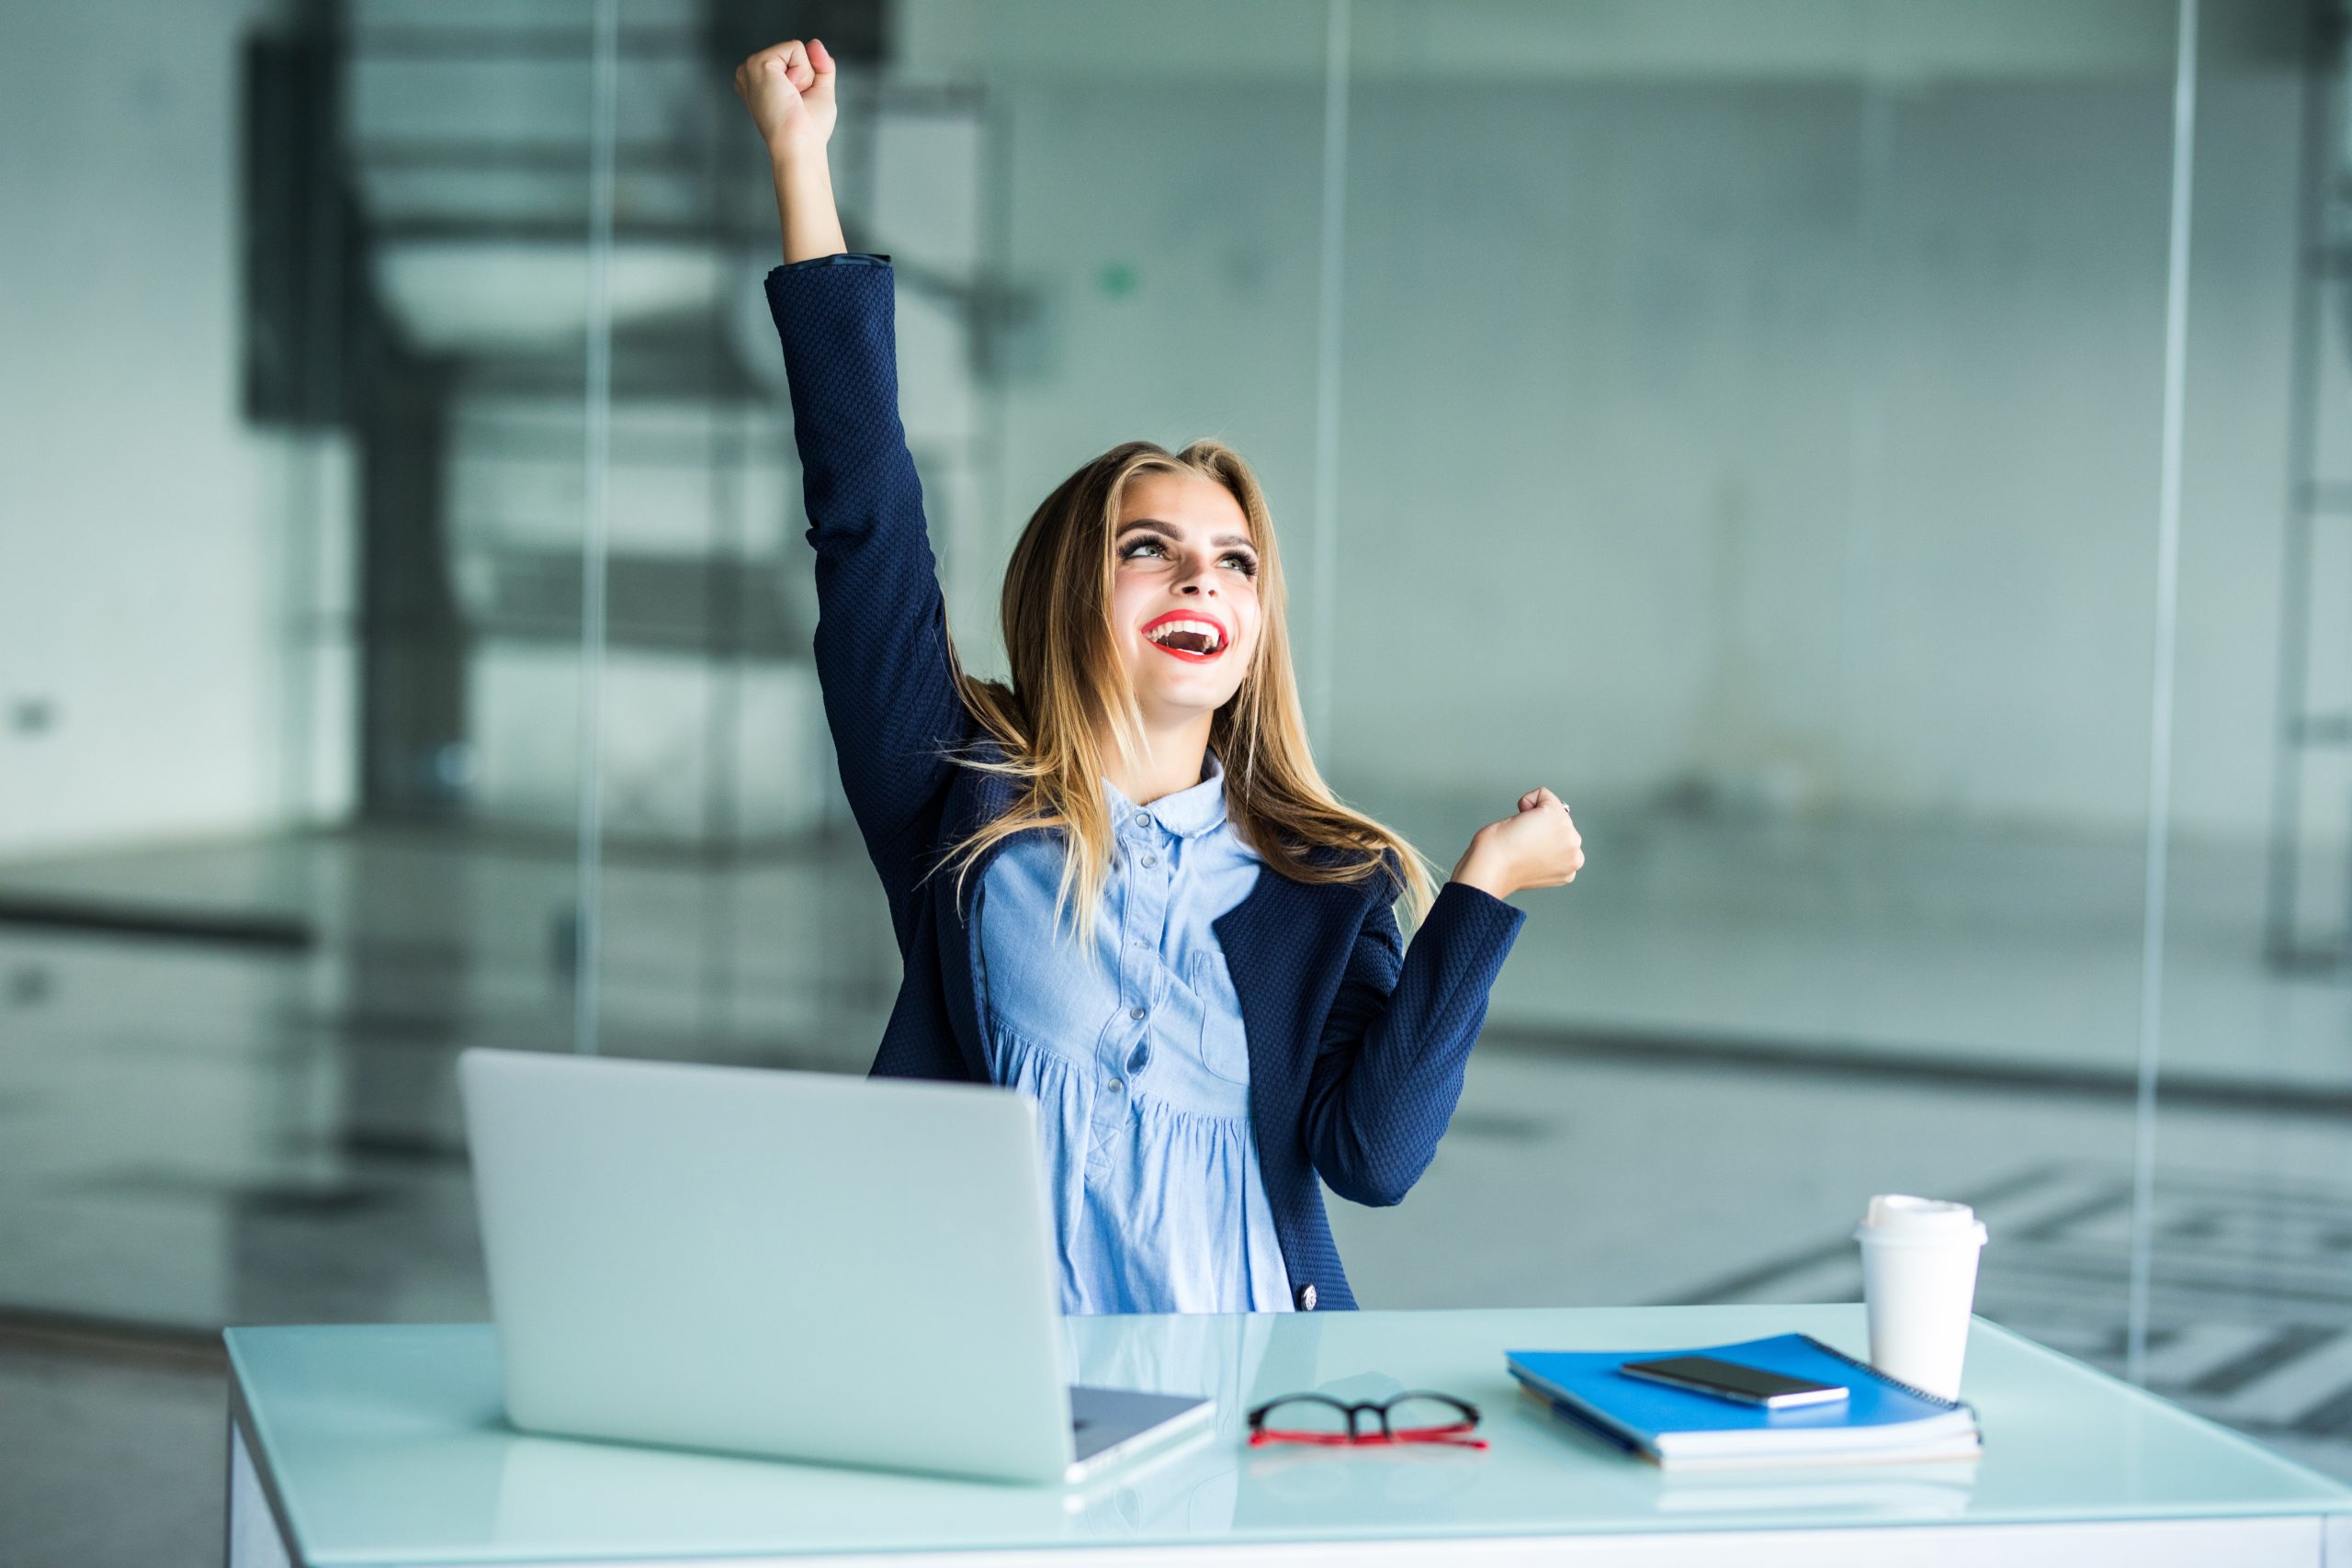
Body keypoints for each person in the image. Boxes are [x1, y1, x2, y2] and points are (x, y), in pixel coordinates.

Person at [736, 39, 1584, 1314]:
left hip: (1258, 1412)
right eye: (1153, 550)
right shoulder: (958, 801)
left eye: (1235, 564)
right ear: (1078, 592)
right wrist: (803, 164)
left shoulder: (1325, 879)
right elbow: (861, 516)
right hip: (1013, 1392)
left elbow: (1374, 1160)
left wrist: (1480, 895)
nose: (1203, 582)